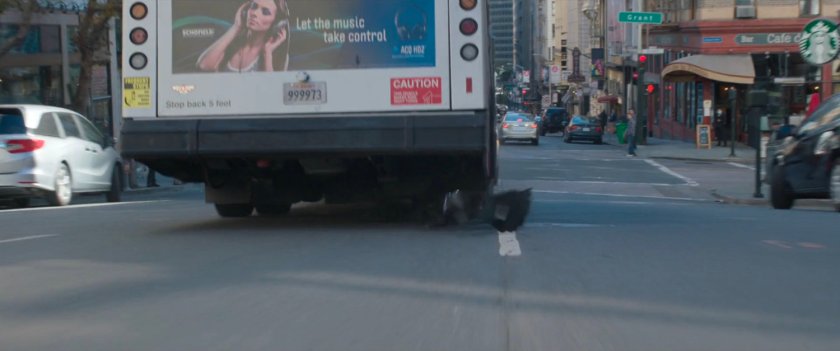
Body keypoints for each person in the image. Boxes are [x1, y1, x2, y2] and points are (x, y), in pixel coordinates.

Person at [197, 0, 290, 72]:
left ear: (276, 24)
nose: (254, 13)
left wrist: (267, 53)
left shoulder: (278, 56)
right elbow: (204, 66)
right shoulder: (230, 44)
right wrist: (236, 27)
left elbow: (272, 90)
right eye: (254, 6)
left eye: (265, 12)